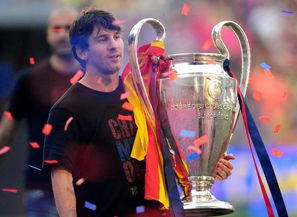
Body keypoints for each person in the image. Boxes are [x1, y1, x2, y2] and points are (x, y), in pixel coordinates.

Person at [43, 9, 234, 217]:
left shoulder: (139, 93)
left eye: (116, 37)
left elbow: (171, 152)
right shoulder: (68, 109)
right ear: (82, 52)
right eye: (102, 39)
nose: (113, 45)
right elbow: (62, 179)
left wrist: (204, 167)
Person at [0, 7, 79, 217]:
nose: (62, 34)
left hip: (89, 189)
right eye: (56, 28)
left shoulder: (97, 79)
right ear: (47, 34)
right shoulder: (30, 80)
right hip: (42, 189)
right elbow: (5, 133)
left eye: (69, 28)